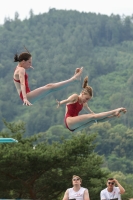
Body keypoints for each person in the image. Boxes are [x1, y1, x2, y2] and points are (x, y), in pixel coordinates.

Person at [56, 76, 127, 132]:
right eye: (86, 98)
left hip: (75, 128)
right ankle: (114, 111)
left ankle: (114, 115)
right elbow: (67, 100)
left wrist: (110, 116)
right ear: (83, 94)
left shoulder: (84, 104)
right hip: (69, 121)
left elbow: (93, 114)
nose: (86, 101)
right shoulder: (75, 97)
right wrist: (60, 103)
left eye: (88, 100)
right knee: (93, 117)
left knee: (94, 119)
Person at [13, 50, 83, 106]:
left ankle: (74, 79)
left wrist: (27, 65)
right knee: (50, 87)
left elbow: (19, 78)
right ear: (23, 61)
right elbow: (22, 84)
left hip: (26, 95)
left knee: (50, 88)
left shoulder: (19, 68)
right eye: (29, 62)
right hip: (27, 96)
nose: (31, 64)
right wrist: (25, 99)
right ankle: (74, 79)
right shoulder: (21, 70)